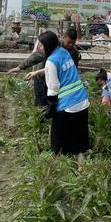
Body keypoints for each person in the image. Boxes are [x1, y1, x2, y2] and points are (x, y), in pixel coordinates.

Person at [38, 30, 89, 159]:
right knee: (79, 135)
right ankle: (81, 166)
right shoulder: (63, 52)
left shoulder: (50, 61)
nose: (39, 47)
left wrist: (50, 108)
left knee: (58, 138)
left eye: (41, 45)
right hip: (82, 99)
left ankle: (59, 163)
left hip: (68, 104)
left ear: (48, 45)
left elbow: (53, 88)